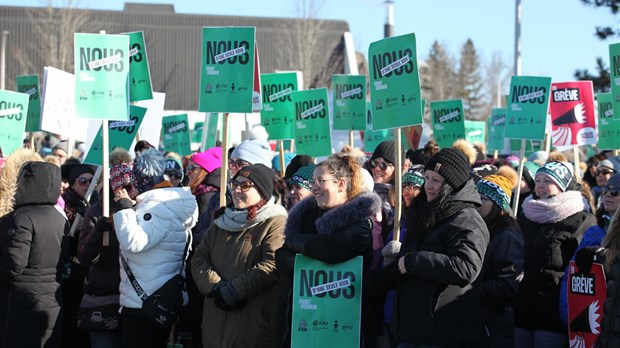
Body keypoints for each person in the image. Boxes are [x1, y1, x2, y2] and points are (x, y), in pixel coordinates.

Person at [367, 146, 490, 347]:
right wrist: (374, 281)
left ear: (452, 184)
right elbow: (403, 266)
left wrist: (414, 261)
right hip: (413, 330)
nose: (428, 186)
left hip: (443, 332)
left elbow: (466, 268)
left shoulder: (466, 219)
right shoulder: (424, 212)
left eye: (437, 180)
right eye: (427, 177)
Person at [276, 154, 381, 346]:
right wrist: (297, 263)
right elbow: (280, 257)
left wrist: (295, 243)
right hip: (306, 322)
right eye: (312, 181)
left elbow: (331, 248)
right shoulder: (304, 218)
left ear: (341, 184)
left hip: (345, 324)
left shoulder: (360, 221)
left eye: (320, 181)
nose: (314, 187)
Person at [191, 164, 288, 348]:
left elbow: (272, 264)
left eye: (245, 186)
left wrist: (234, 291)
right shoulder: (222, 221)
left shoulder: (275, 221)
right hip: (214, 325)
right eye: (235, 184)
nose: (236, 190)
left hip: (253, 328)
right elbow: (199, 259)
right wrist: (216, 287)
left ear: (262, 191)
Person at [112, 148, 198, 348]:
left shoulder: (156, 210)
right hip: (158, 299)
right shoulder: (168, 205)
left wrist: (125, 209)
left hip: (145, 303)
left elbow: (134, 241)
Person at [515, 161, 596, 348]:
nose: (540, 185)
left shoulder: (581, 220)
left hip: (552, 314)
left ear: (563, 185)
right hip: (522, 309)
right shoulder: (526, 214)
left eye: (548, 180)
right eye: (538, 180)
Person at [0, 160, 69, 348]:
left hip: (20, 303)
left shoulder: (22, 217)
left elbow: (13, 263)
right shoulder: (60, 218)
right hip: (50, 300)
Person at [77, 163, 130, 348]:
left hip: (133, 299)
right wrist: (98, 230)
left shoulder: (143, 210)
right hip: (104, 294)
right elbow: (84, 256)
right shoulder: (96, 211)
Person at [559, 172, 620, 327]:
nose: (608, 196)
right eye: (606, 191)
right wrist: (571, 311)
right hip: (591, 323)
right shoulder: (594, 231)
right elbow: (571, 275)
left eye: (615, 192)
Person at [475, 166, 524, 348]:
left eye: (484, 199)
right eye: (477, 197)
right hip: (478, 319)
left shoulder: (507, 235)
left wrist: (469, 290)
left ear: (498, 204)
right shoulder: (480, 228)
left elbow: (507, 285)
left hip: (494, 323)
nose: (478, 203)